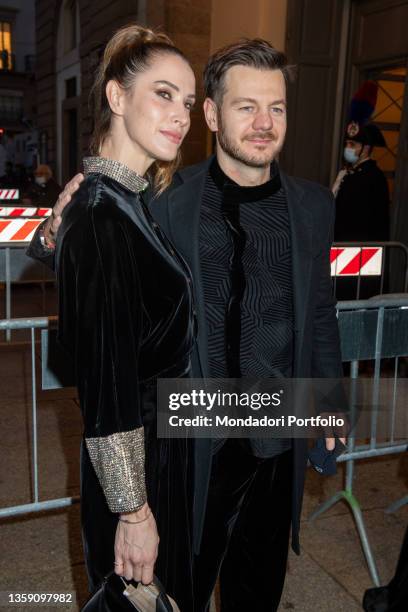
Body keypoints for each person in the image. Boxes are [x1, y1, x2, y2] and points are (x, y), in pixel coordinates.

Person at [28, 38, 344, 612]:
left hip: (278, 436)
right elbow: (110, 253)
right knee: (181, 594)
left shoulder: (314, 206)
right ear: (213, 114)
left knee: (259, 593)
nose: (263, 123)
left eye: (276, 107)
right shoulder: (168, 198)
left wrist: (327, 406)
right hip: (192, 445)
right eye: (246, 106)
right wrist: (54, 232)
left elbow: (320, 313)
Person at [29, 24, 197, 609]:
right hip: (134, 456)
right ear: (117, 97)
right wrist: (134, 511)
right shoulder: (103, 213)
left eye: (188, 101)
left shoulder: (123, 201)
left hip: (161, 440)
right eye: (164, 93)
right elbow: (107, 382)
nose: (181, 114)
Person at [333, 81, 390, 242]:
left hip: (360, 249)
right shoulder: (348, 172)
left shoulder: (374, 177)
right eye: (347, 143)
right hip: (341, 244)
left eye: (352, 144)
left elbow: (377, 222)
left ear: (366, 148)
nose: (347, 148)